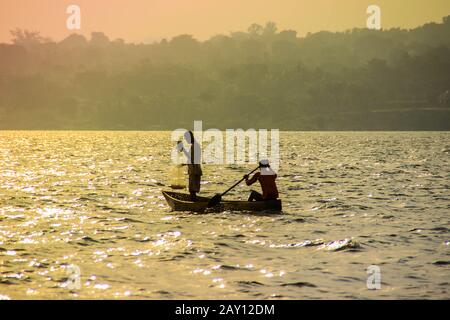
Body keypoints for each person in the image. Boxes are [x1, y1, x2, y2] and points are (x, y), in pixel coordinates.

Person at [177, 130, 202, 201]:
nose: (186, 140)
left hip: (194, 171)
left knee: (192, 190)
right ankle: (194, 203)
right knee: (192, 190)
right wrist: (183, 164)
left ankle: (194, 205)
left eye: (186, 138)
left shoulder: (195, 146)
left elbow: (191, 159)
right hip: (195, 170)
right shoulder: (194, 146)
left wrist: (183, 149)